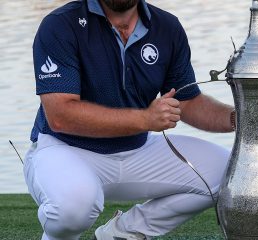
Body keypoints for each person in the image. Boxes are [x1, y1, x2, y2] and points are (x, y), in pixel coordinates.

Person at [23, 0, 235, 239]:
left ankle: (120, 233)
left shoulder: (167, 26)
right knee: (74, 207)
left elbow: (187, 102)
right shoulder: (61, 24)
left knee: (232, 173)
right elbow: (60, 116)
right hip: (66, 149)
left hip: (137, 149)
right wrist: (146, 119)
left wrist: (242, 119)